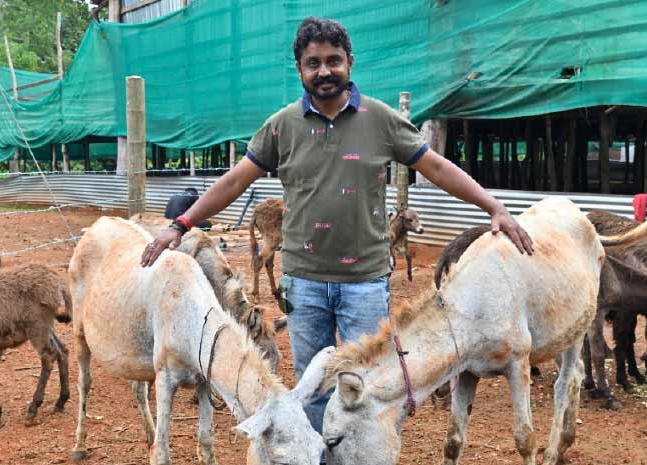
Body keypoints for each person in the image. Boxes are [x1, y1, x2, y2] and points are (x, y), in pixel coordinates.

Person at [142, 16, 533, 432]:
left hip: (364, 283)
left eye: (333, 60)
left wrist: (494, 206)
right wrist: (181, 224)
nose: (324, 71)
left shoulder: (380, 120)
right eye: (313, 63)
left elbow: (435, 166)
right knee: (312, 387)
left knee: (366, 387)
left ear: (350, 62)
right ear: (300, 69)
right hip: (304, 282)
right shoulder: (281, 127)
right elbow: (235, 181)